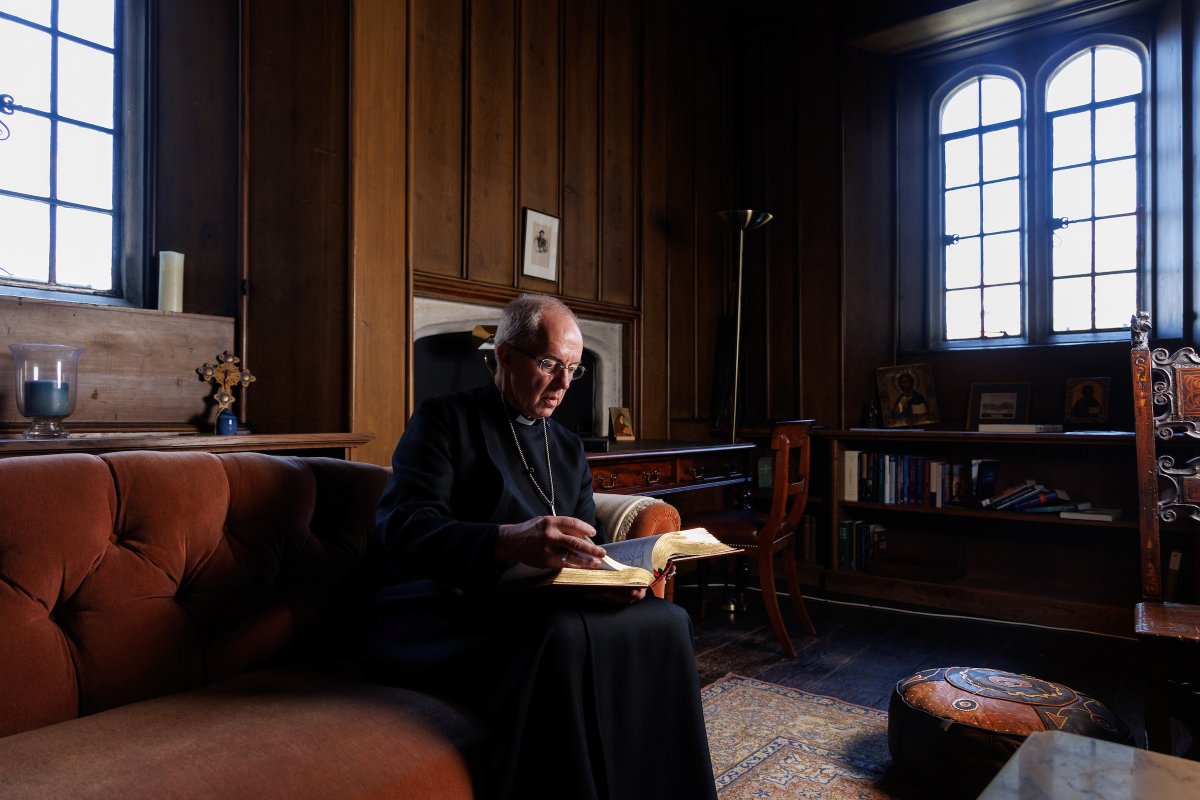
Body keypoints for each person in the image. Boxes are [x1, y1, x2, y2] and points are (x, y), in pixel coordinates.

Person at [368, 293, 717, 800]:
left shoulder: (568, 446)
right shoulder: (443, 419)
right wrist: (507, 542)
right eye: (550, 364)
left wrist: (607, 580)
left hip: (541, 600)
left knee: (667, 621)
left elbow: (584, 542)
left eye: (573, 369)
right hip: (449, 604)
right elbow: (402, 528)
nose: (562, 384)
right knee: (561, 636)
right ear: (504, 356)